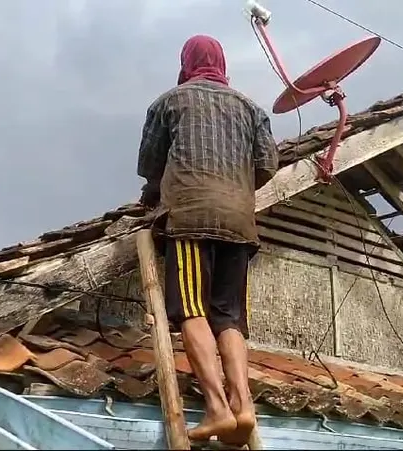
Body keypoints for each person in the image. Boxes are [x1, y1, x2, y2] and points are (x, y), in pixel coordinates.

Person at [136, 34, 279, 445]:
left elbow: (151, 165)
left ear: (187, 63)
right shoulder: (251, 108)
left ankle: (216, 408)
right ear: (221, 63)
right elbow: (267, 166)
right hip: (239, 223)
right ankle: (244, 406)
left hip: (190, 218)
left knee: (192, 310)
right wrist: (233, 188)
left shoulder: (169, 102)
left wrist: (151, 200)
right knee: (228, 317)